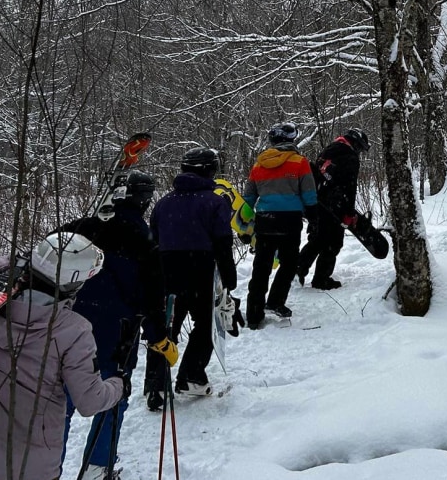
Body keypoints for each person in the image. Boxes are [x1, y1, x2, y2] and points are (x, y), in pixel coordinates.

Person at [0, 234, 125, 480]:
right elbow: (90, 401)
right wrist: (118, 385)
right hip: (30, 468)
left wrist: (24, 261)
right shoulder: (73, 330)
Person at [56, 172, 177, 478]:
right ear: (144, 200)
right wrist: (160, 340)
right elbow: (153, 302)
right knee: (112, 395)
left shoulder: (77, 230)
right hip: (115, 337)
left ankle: (47, 468)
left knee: (60, 402)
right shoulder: (144, 242)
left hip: (66, 332)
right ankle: (97, 469)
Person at [148, 147, 237, 397]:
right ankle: (191, 376)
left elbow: (152, 241)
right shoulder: (215, 202)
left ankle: (155, 385)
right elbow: (222, 243)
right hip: (202, 269)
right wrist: (229, 279)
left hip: (167, 270)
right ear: (209, 170)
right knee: (207, 323)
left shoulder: (163, 203)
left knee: (167, 325)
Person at [243, 122, 319, 326]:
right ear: (291, 140)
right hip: (289, 221)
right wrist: (314, 217)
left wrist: (244, 222)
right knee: (288, 264)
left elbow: (249, 196)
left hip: (265, 220)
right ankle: (276, 302)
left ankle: (253, 313)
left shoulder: (258, 164)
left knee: (261, 267)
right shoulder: (300, 162)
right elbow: (310, 194)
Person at [297, 128, 370, 290]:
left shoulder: (328, 151)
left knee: (316, 240)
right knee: (333, 242)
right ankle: (321, 279)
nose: (359, 152)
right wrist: (348, 213)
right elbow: (350, 187)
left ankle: (297, 270)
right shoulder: (350, 157)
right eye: (360, 148)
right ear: (356, 144)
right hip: (334, 206)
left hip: (317, 202)